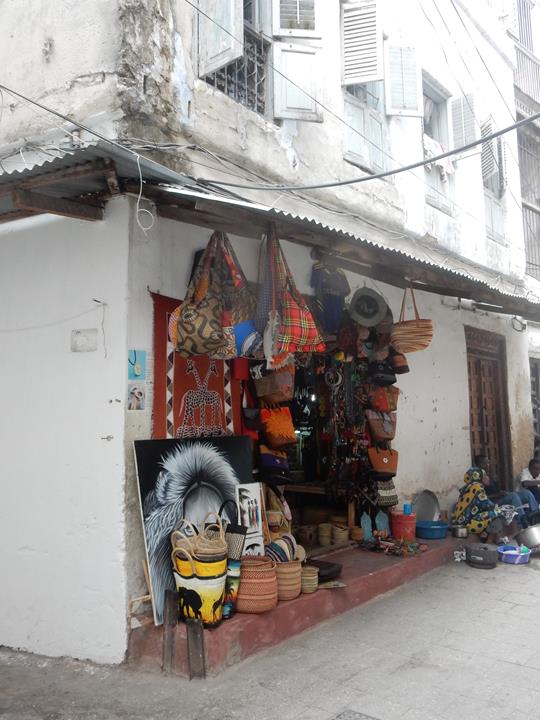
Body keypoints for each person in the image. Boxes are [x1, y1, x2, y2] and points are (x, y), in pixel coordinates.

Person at [452, 467, 518, 541]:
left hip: (459, 524)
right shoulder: (477, 487)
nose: (488, 477)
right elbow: (487, 504)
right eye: (485, 475)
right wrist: (500, 509)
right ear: (479, 477)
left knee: (493, 512)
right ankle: (489, 538)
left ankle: (486, 534)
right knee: (497, 512)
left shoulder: (468, 487)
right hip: (466, 525)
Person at [474, 454, 538, 526]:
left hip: (500, 497)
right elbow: (480, 498)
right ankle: (523, 522)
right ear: (477, 465)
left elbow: (496, 490)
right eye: (484, 463)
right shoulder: (476, 479)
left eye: (488, 463)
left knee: (526, 493)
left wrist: (502, 492)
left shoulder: (488, 475)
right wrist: (498, 494)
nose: (487, 465)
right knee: (513, 496)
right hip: (492, 503)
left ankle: (536, 518)